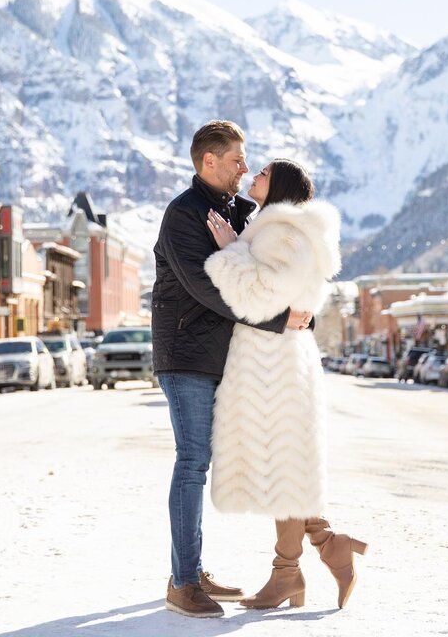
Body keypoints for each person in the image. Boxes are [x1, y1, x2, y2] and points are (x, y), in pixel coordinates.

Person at [152, 120, 314, 619]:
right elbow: (211, 290)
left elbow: (272, 267)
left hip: (229, 359)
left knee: (260, 454)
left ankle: (197, 568)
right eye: (237, 160)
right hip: (187, 357)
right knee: (193, 461)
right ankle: (183, 582)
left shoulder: (238, 211)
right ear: (209, 162)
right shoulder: (183, 215)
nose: (245, 167)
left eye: (248, 161)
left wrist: (301, 302)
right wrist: (277, 319)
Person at [204, 158, 367, 610]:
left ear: (279, 187)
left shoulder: (282, 233)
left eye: (264, 173)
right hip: (274, 362)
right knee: (284, 465)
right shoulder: (280, 229)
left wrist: (230, 249)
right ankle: (328, 545)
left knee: (284, 468)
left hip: (272, 365)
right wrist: (240, 244)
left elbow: (258, 296)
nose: (254, 175)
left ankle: (287, 574)